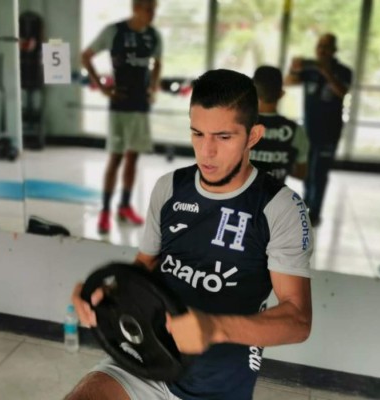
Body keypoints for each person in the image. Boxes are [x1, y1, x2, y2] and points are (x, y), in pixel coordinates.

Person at [67, 69, 313, 400]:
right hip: (147, 353)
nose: (206, 152)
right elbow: (143, 267)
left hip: (216, 381)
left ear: (253, 136)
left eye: (223, 137)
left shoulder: (279, 207)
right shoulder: (169, 188)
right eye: (198, 134)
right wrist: (105, 294)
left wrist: (215, 327)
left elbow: (298, 321)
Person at [81, 0, 163, 235]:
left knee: (132, 158)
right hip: (119, 105)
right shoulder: (114, 31)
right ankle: (105, 210)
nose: (152, 14)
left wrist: (154, 88)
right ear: (136, 8)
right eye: (148, 9)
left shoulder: (154, 36)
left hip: (140, 106)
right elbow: (86, 56)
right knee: (115, 158)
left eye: (154, 9)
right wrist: (102, 88)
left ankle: (124, 206)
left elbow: (157, 63)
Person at [285, 33, 352, 226]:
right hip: (308, 129)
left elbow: (342, 92)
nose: (321, 50)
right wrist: (295, 69)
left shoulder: (343, 71)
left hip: (329, 131)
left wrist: (326, 72)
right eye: (319, 46)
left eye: (326, 47)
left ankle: (316, 212)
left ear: (334, 50)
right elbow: (288, 82)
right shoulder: (310, 69)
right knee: (307, 169)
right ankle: (307, 202)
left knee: (320, 172)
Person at [251, 65, 309, 183]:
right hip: (275, 198)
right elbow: (301, 173)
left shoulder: (239, 126)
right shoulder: (295, 131)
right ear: (281, 94)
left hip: (240, 198)